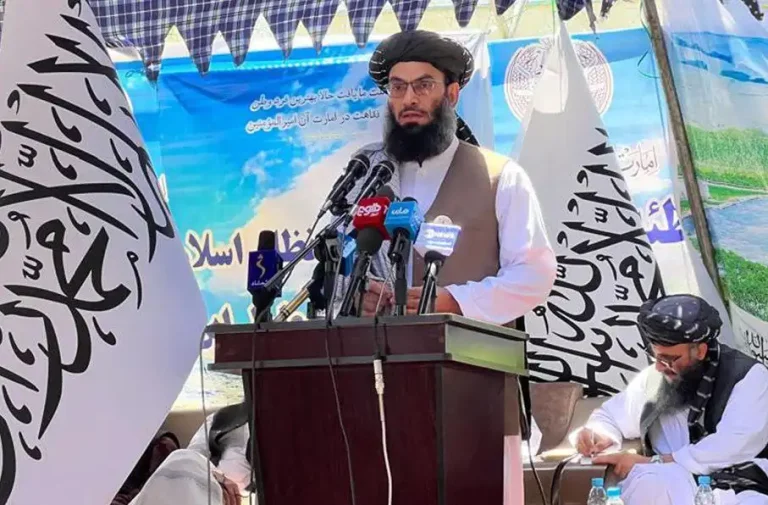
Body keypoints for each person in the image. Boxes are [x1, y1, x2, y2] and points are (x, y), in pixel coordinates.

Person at [346, 30, 556, 323]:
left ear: (452, 94)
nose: (409, 99)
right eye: (398, 87)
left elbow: (534, 273)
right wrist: (358, 295)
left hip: (471, 350)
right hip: (377, 348)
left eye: (424, 85)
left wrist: (458, 301)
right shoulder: (368, 173)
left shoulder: (501, 176)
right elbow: (341, 258)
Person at [571, 294, 768, 505]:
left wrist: (653, 462)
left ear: (700, 351)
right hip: (669, 483)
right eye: (656, 356)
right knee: (649, 483)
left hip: (739, 487)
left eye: (669, 359)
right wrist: (598, 434)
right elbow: (610, 416)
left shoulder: (748, 376)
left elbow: (733, 446)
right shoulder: (655, 379)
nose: (659, 366)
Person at [129, 403, 250, 505]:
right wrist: (218, 478)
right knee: (181, 458)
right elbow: (191, 457)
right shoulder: (225, 419)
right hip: (199, 488)